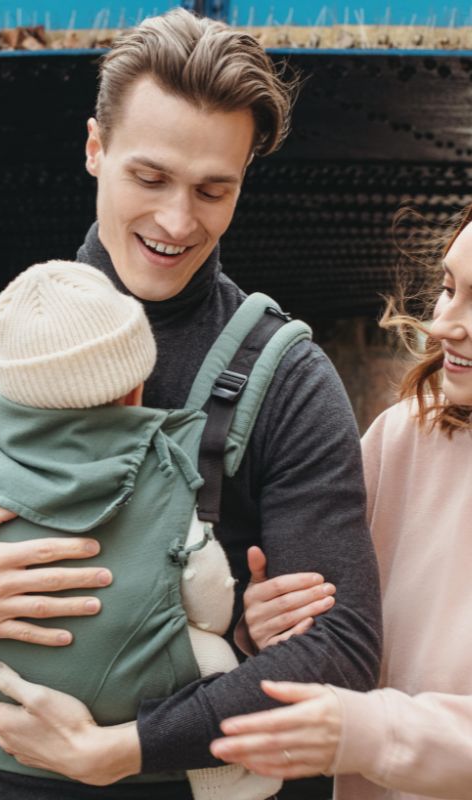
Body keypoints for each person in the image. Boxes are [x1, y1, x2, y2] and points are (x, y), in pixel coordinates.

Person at [0, 8, 382, 800]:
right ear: (94, 148)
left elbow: (344, 647)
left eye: (215, 190)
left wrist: (125, 748)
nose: (178, 221)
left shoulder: (289, 376)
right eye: (149, 178)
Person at [0, 258, 278, 800]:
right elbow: (209, 606)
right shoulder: (162, 467)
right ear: (136, 389)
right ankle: (225, 780)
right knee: (209, 652)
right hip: (143, 704)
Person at [210, 205, 472, 800]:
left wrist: (369, 735)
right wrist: (269, 621)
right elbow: (336, 624)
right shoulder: (403, 437)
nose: (444, 326)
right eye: (449, 290)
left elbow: (362, 726)